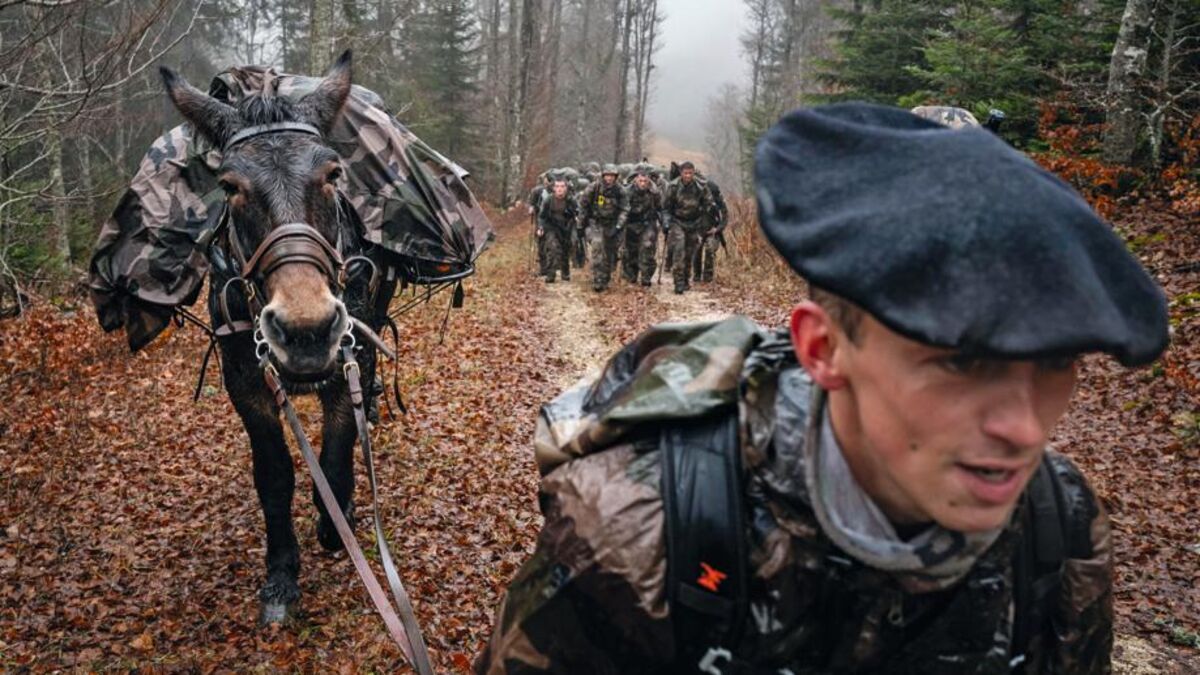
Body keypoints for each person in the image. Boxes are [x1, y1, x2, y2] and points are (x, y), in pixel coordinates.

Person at [475, 103, 1169, 673]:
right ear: (823, 348)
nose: (1024, 429)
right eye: (961, 363)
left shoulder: (1059, 520)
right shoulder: (647, 531)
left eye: (1055, 363)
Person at [662, 161, 715, 294]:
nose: (688, 176)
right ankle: (678, 282)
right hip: (677, 222)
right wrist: (666, 222)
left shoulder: (700, 186)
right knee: (679, 250)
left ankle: (686, 279)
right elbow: (666, 208)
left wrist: (702, 217)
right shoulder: (673, 187)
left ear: (693, 173)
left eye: (690, 173)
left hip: (694, 223)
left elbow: (709, 203)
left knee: (689, 253)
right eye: (685, 173)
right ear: (681, 173)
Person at [578, 164, 630, 292]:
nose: (609, 179)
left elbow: (625, 209)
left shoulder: (620, 190)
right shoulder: (594, 188)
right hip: (596, 223)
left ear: (616, 177)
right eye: (607, 175)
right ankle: (597, 279)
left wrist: (619, 225)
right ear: (603, 176)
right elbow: (583, 205)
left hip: (613, 224)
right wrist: (580, 224)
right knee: (597, 247)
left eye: (612, 176)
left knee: (610, 252)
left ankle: (605, 277)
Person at [622, 169, 662, 287]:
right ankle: (631, 276)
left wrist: (663, 222)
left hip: (647, 223)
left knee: (647, 247)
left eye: (645, 181)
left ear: (648, 180)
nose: (643, 183)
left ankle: (646, 276)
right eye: (640, 181)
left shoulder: (654, 192)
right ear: (636, 180)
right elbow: (622, 209)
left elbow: (660, 208)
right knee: (631, 251)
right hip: (631, 223)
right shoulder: (627, 192)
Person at [536, 178, 577, 283]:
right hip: (551, 227)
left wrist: (577, 220)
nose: (560, 189)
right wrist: (540, 228)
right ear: (554, 188)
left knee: (566, 249)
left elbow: (577, 213)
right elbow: (542, 216)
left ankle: (565, 271)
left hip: (566, 227)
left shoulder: (571, 200)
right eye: (557, 186)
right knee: (553, 248)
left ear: (566, 188)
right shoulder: (548, 200)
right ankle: (550, 273)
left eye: (562, 187)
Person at [693, 175, 729, 284]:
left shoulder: (718, 199)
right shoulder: (696, 196)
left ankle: (707, 277)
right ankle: (696, 276)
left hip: (713, 231)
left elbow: (725, 216)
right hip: (698, 230)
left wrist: (717, 229)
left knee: (710, 249)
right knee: (696, 250)